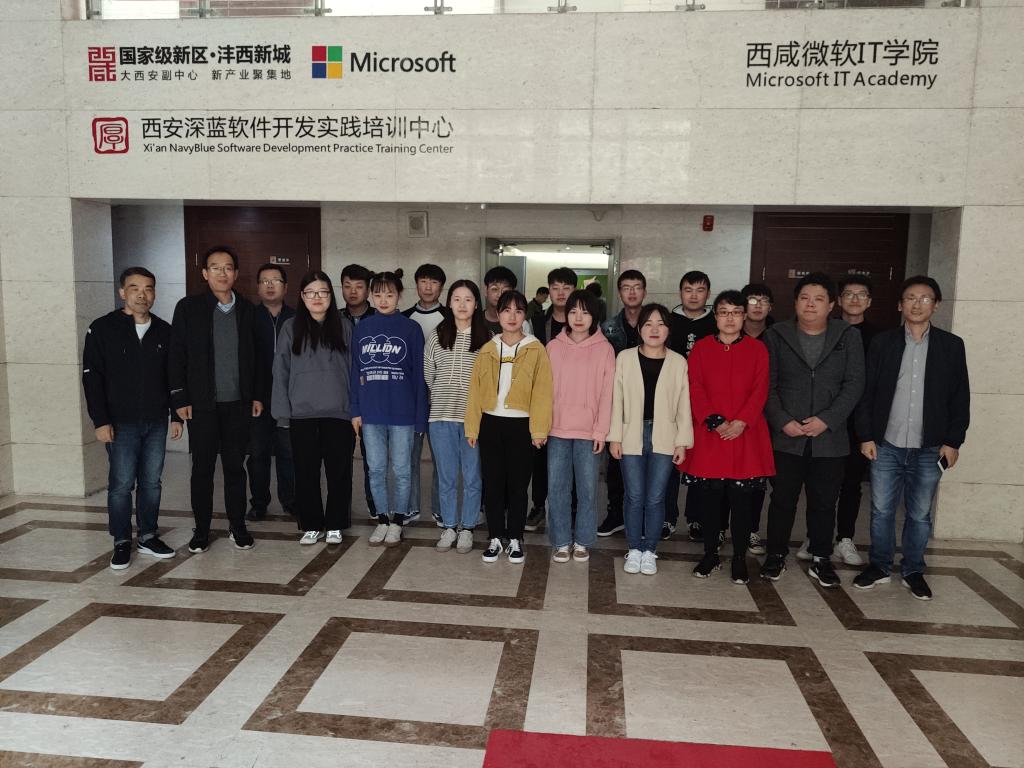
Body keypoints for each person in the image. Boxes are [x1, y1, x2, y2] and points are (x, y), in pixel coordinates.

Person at [853, 276, 970, 601]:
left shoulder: (951, 345)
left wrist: (953, 441)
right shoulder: (883, 343)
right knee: (881, 510)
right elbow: (866, 392)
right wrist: (866, 435)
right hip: (886, 444)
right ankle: (879, 565)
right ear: (900, 305)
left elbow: (960, 397)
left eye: (925, 298)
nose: (917, 304)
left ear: (936, 305)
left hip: (929, 446)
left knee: (919, 513)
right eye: (910, 298)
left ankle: (913, 569)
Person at [761, 273, 864, 587]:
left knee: (824, 502)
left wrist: (827, 420)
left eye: (819, 299)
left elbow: (854, 384)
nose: (811, 304)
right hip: (786, 436)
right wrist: (782, 420)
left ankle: (821, 558)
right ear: (795, 302)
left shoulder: (847, 336)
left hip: (829, 438)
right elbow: (767, 385)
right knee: (782, 499)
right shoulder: (776, 335)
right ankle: (775, 555)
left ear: (831, 305)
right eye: (805, 298)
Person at [83, 267, 183, 570]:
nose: (142, 295)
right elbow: (92, 378)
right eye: (135, 288)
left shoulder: (164, 330)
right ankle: (122, 540)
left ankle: (148, 535)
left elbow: (174, 375)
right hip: (119, 422)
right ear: (122, 292)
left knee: (151, 482)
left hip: (156, 420)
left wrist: (177, 416)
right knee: (121, 483)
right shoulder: (102, 329)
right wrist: (100, 421)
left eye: (148, 288)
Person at [169, 246, 265, 553]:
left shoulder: (248, 310)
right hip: (201, 405)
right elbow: (176, 356)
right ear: (205, 273)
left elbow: (258, 358)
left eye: (227, 268)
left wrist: (257, 395)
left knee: (235, 467)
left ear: (235, 273)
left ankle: (238, 526)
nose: (222, 273)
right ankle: (201, 529)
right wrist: (179, 400)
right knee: (202, 468)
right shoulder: (189, 308)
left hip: (238, 403)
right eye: (215, 267)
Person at [681, 291, 774, 585]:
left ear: (744, 316)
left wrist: (741, 421)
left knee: (742, 502)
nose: (730, 318)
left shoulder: (758, 349)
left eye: (736, 312)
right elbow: (695, 386)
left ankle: (739, 558)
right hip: (711, 435)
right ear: (716, 316)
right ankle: (710, 554)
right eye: (724, 312)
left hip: (746, 436)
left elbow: (760, 389)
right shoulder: (702, 348)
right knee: (710, 501)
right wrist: (715, 420)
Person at [466, 290, 552, 566]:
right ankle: (495, 537)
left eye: (518, 311)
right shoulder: (488, 349)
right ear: (498, 314)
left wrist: (539, 430)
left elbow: (543, 392)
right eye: (506, 310)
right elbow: (475, 391)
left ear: (525, 315)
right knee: (492, 484)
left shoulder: (536, 349)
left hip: (522, 425)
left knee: (518, 484)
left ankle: (515, 537)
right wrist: (472, 428)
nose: (512, 316)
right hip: (491, 423)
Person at [609, 304, 692, 576]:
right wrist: (615, 437)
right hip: (631, 432)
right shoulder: (625, 358)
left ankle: (649, 551)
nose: (654, 329)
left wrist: (682, 442)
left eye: (660, 324)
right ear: (640, 328)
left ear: (668, 329)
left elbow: (683, 405)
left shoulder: (678, 362)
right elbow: (616, 400)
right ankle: (634, 548)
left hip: (665, 435)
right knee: (634, 496)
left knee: (656, 497)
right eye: (648, 324)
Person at [272, 272, 354, 545]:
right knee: (305, 472)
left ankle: (336, 524)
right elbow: (280, 371)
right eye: (311, 292)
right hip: (302, 413)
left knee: (339, 472)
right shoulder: (290, 328)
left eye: (323, 292)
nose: (317, 298)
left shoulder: (344, 326)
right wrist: (282, 413)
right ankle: (311, 524)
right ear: (302, 296)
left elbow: (354, 370)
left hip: (339, 412)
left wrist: (355, 410)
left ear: (331, 296)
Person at [350, 269, 428, 548]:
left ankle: (398, 521)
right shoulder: (362, 328)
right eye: (378, 294)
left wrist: (420, 418)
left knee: (403, 470)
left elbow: (419, 377)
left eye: (390, 294)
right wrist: (355, 410)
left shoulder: (411, 329)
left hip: (403, 414)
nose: (383, 300)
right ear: (371, 296)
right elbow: (355, 372)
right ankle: (382, 519)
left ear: (399, 296)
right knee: (375, 469)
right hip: (371, 413)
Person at [545, 289, 615, 563]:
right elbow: (543, 391)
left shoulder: (605, 349)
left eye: (585, 312)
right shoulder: (553, 347)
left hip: (589, 432)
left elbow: (607, 394)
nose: (578, 317)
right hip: (557, 430)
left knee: (587, 489)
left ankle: (583, 540)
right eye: (573, 311)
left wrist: (601, 431)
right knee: (557, 488)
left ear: (594, 316)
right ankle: (561, 540)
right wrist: (542, 426)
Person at [424, 280, 490, 554]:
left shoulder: (486, 338)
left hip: (473, 419)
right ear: (449, 303)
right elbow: (429, 375)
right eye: (457, 299)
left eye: (468, 299)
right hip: (440, 417)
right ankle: (449, 526)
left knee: (473, 476)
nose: (462, 305)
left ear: (476, 304)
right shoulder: (437, 335)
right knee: (447, 476)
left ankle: (468, 528)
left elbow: (489, 380)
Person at [821, 275, 879, 566]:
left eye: (861, 294)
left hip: (860, 423)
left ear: (869, 301)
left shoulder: (880, 338)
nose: (854, 299)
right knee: (822, 483)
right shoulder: (825, 331)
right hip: (827, 420)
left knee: (852, 483)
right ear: (838, 301)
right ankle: (817, 535)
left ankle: (845, 537)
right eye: (848, 294)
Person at [666, 270, 717, 543]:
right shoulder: (667, 321)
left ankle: (696, 517)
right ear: (680, 293)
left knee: (700, 460)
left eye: (700, 290)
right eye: (688, 290)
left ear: (708, 294)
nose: (694, 295)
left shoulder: (716, 323)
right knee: (669, 460)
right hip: (670, 401)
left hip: (705, 403)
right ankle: (667, 517)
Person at [526, 266, 578, 533]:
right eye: (555, 288)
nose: (560, 293)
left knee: (572, 458)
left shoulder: (583, 323)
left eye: (566, 288)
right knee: (540, 456)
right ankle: (538, 505)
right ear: (548, 290)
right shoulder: (536, 322)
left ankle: (571, 508)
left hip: (574, 400)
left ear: (574, 291)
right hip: (542, 399)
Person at [598, 269, 646, 537]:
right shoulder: (608, 327)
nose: (632, 292)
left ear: (644, 292)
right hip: (617, 402)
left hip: (649, 402)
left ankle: (643, 516)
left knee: (646, 460)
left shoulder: (655, 323)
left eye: (637, 287)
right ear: (619, 293)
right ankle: (616, 513)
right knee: (615, 462)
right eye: (626, 287)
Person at [246, 263, 295, 522]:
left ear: (286, 287)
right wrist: (252, 394)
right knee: (258, 453)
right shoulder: (248, 318)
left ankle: (291, 501)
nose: (270, 285)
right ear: (258, 287)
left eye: (275, 280)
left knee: (289, 452)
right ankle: (259, 503)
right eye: (264, 281)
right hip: (258, 398)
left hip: (289, 398)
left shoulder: (297, 318)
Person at [403, 263, 446, 527]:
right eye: (423, 281)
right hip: (412, 398)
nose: (428, 287)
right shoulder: (405, 318)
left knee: (442, 457)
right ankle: (411, 507)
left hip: (442, 398)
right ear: (416, 284)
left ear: (441, 287)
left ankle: (440, 508)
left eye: (434, 282)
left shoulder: (450, 317)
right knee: (410, 456)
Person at [737, 282, 776, 556]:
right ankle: (719, 528)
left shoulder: (778, 336)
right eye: (752, 300)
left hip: (765, 418)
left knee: (756, 478)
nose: (758, 305)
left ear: (770, 306)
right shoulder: (728, 333)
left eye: (763, 300)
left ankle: (751, 530)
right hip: (729, 419)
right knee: (725, 476)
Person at [340, 263, 377, 520]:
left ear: (368, 290)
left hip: (371, 399)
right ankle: (342, 507)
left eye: (359, 286)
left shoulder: (378, 317)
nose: (353, 292)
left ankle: (375, 504)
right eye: (347, 286)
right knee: (341, 458)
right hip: (341, 398)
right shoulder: (333, 318)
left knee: (372, 458)